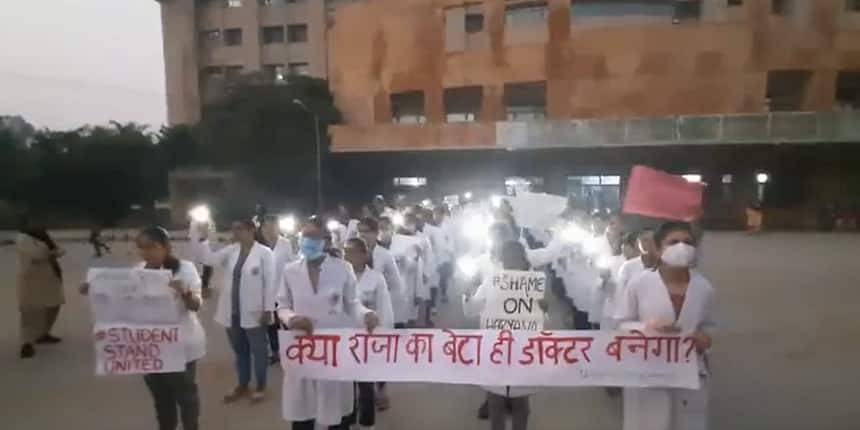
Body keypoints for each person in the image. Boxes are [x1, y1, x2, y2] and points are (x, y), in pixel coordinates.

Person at [81, 227, 205, 430]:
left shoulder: (185, 269)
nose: (147, 252)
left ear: (165, 247)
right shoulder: (138, 271)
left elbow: (196, 305)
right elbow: (122, 302)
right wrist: (94, 289)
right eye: (142, 248)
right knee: (161, 397)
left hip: (182, 346)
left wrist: (186, 292)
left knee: (186, 396)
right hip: (151, 347)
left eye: (152, 247)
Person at [277, 216, 380, 430]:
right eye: (304, 236)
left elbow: (353, 304)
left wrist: (366, 314)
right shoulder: (290, 271)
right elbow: (282, 306)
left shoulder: (342, 269)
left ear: (326, 240)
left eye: (313, 237)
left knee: (336, 412)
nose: (307, 241)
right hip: (303, 348)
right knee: (302, 410)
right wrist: (292, 319)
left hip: (333, 349)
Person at [616, 221, 716, 430]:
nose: (682, 247)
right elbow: (621, 324)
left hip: (689, 373)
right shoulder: (639, 283)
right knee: (648, 423)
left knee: (687, 423)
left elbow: (710, 328)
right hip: (647, 372)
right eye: (673, 242)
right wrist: (646, 328)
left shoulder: (704, 288)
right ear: (658, 248)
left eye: (688, 242)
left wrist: (704, 340)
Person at [190, 218, 276, 403]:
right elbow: (208, 259)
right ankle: (242, 384)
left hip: (255, 311)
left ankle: (260, 386)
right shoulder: (232, 250)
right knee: (240, 351)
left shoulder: (264, 253)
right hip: (232, 311)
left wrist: (268, 309)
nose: (235, 233)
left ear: (251, 230)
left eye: (239, 229)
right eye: (233, 229)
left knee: (259, 351)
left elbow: (270, 283)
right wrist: (203, 239)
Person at [463, 241, 540, 430]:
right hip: (496, 348)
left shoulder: (534, 284)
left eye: (513, 257)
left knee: (520, 404)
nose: (510, 262)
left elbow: (541, 315)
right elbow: (472, 310)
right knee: (496, 402)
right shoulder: (492, 281)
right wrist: (467, 294)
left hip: (523, 350)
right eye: (507, 258)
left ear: (522, 259)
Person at [343, 238, 394, 430]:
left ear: (364, 255)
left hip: (368, 340)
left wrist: (383, 337)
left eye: (352, 252)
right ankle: (347, 420)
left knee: (365, 384)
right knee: (347, 385)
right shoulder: (340, 277)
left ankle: (366, 423)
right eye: (345, 252)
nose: (347, 256)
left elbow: (385, 310)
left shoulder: (376, 278)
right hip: (344, 339)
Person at [358, 216, 405, 411]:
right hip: (358, 315)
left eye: (366, 232)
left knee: (379, 355)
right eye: (359, 232)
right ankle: (363, 394)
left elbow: (396, 284)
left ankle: (382, 390)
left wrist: (386, 309)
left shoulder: (384, 255)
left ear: (376, 233)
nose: (362, 235)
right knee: (360, 355)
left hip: (380, 312)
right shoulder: (351, 254)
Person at [16, 222, 65, 359]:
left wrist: (52, 252)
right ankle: (27, 344)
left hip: (51, 276)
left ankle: (44, 333)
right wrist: (52, 252)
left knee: (54, 305)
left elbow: (60, 250)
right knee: (30, 311)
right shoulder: (23, 238)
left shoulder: (44, 235)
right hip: (31, 279)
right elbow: (38, 255)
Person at [257, 215, 298, 365]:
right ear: (263, 229)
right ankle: (275, 352)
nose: (270, 230)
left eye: (274, 227)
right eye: (267, 227)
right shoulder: (259, 247)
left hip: (285, 290)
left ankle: (292, 350)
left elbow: (294, 263)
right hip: (267, 292)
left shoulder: (286, 243)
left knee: (287, 322)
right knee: (272, 325)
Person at [378, 215, 427, 327]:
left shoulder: (405, 244)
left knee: (400, 327)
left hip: (401, 293)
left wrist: (418, 293)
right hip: (379, 297)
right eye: (380, 228)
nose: (382, 231)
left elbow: (415, 267)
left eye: (385, 228)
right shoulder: (373, 248)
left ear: (392, 229)